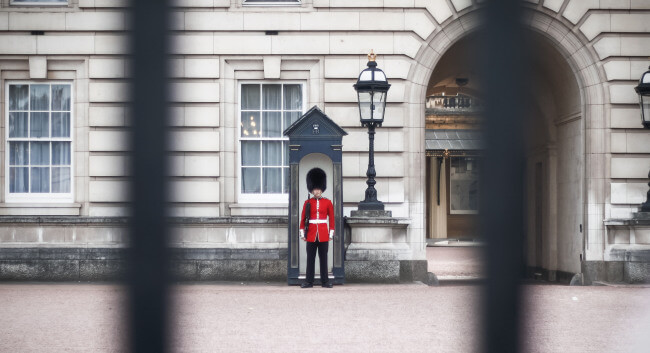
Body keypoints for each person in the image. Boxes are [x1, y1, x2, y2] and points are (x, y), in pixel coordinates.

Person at [299, 168, 335, 288]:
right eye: (315, 189)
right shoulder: (307, 202)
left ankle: (325, 281)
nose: (317, 191)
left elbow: (332, 219)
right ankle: (309, 281)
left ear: (322, 189)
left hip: (324, 233)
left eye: (319, 189)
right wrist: (303, 234)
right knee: (310, 258)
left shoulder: (328, 202)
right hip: (311, 234)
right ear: (312, 189)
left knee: (323, 258)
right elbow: (303, 219)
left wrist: (331, 234)